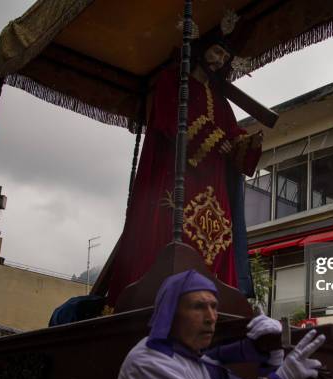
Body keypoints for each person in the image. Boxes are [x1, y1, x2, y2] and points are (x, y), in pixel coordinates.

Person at [106, 33, 262, 307]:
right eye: (216, 51)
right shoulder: (173, 82)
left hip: (214, 191)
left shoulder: (219, 100)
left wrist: (247, 142)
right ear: (201, 49)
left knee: (215, 246)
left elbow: (231, 131)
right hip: (179, 178)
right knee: (171, 235)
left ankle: (214, 304)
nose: (219, 60)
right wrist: (217, 139)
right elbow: (170, 122)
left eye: (224, 57)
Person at [112, 269, 326, 379]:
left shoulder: (200, 362)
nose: (211, 318)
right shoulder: (147, 362)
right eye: (198, 307)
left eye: (214, 307)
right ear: (170, 314)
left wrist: (273, 356)